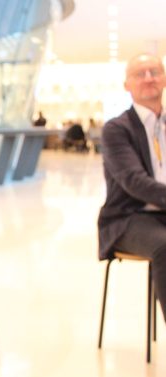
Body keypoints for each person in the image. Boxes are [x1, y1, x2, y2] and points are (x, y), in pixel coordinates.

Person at [98, 53, 166, 323]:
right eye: (140, 73)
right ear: (127, 85)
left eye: (154, 72)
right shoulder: (116, 129)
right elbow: (134, 182)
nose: (149, 78)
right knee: (165, 247)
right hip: (128, 217)